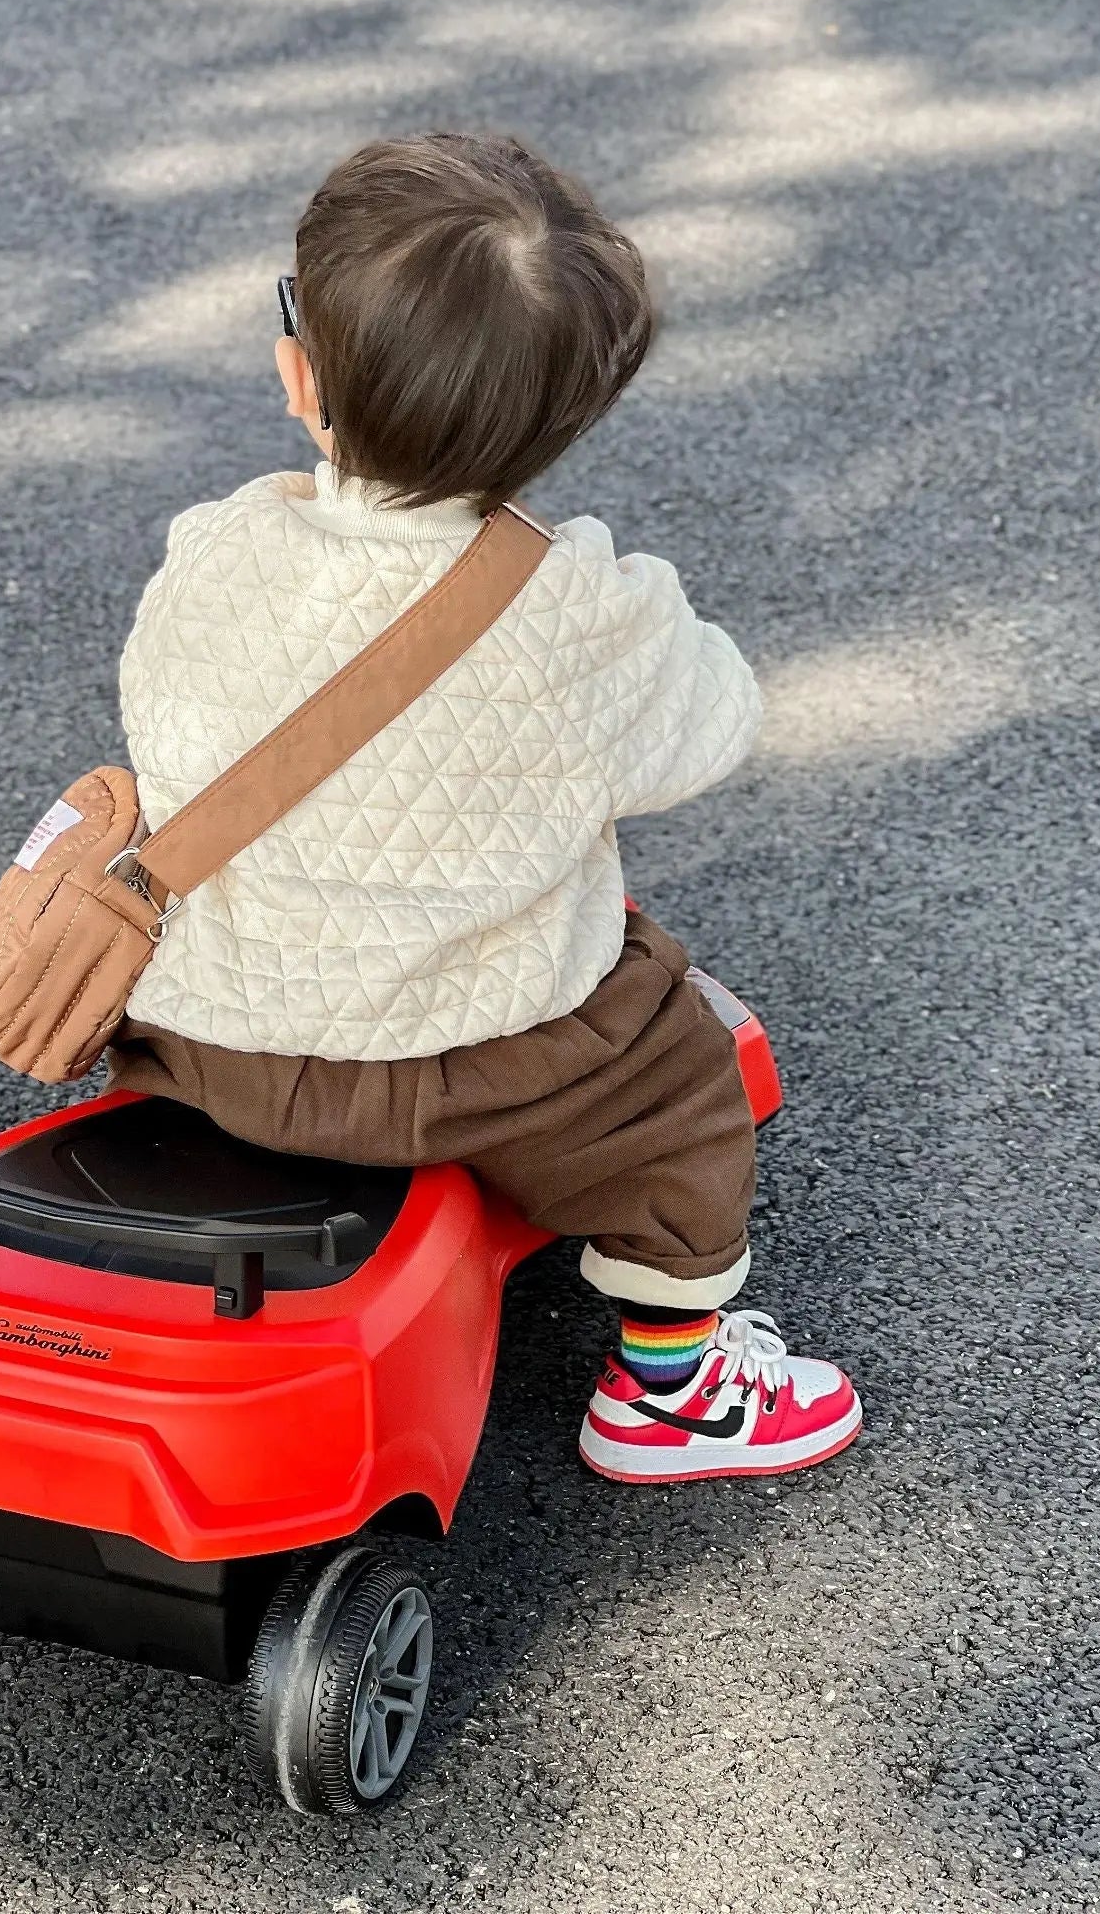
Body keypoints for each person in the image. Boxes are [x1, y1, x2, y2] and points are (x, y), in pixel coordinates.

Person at [108, 132, 860, 1483]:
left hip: (207, 1042)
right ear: (560, 431)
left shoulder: (213, 546)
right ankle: (672, 1388)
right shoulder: (577, 606)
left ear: (299, 376)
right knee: (675, 1080)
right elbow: (717, 720)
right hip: (484, 1061)